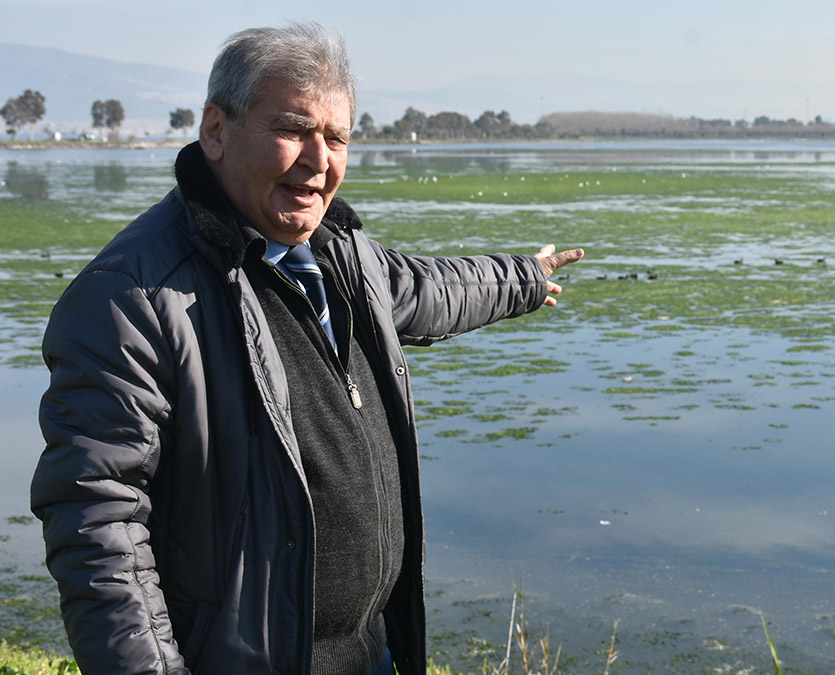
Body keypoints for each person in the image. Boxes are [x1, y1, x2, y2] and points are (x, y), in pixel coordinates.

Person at [30, 22, 582, 675]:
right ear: (215, 130)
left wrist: (523, 277)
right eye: (293, 129)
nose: (319, 160)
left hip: (369, 650)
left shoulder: (338, 255)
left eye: (338, 137)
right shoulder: (135, 296)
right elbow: (99, 521)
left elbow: (425, 288)